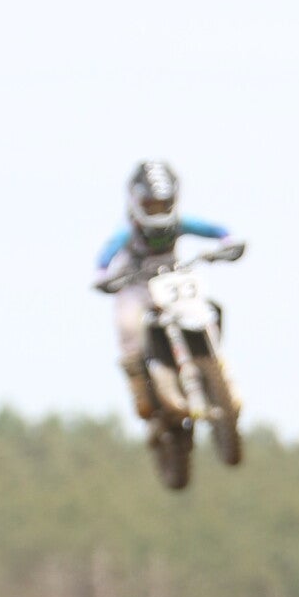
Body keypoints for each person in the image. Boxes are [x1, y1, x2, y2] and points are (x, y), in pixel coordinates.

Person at [94, 161, 244, 426]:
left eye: (163, 204)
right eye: (151, 205)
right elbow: (106, 256)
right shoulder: (129, 231)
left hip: (171, 280)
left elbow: (215, 230)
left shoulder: (179, 223)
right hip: (135, 284)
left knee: (205, 311)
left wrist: (227, 242)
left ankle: (220, 374)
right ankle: (139, 384)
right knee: (128, 324)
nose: (158, 211)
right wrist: (103, 274)